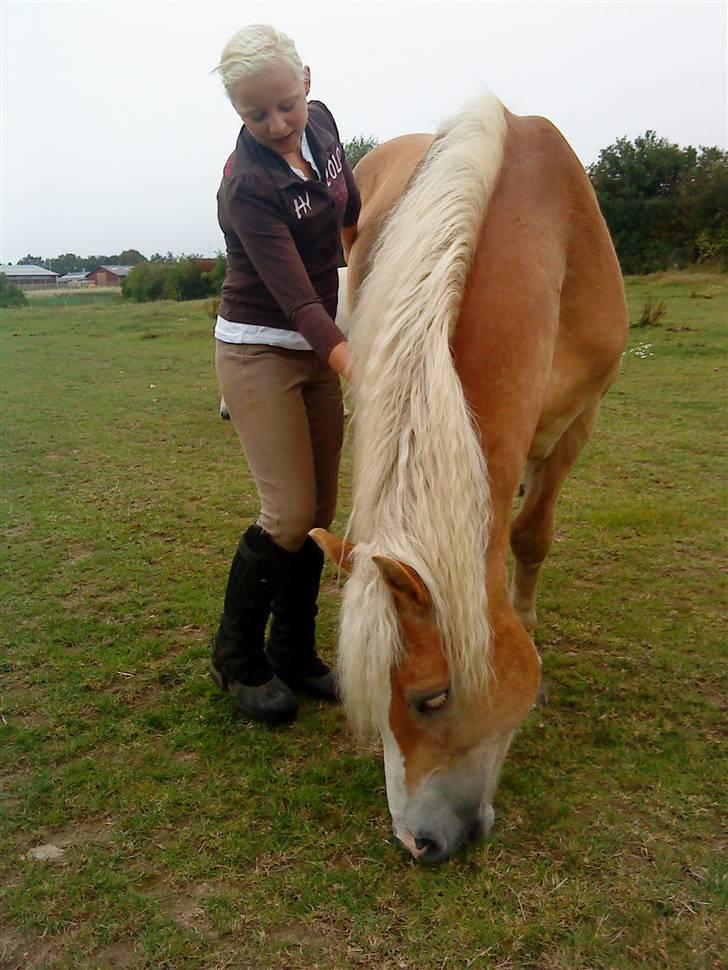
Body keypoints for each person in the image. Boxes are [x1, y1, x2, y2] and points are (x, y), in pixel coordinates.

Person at [210, 24, 359, 724]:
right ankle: (238, 659)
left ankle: (295, 653)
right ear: (238, 112)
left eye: (284, 106)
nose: (274, 124)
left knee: (321, 514)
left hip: (316, 347)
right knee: (289, 512)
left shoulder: (323, 127)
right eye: (254, 114)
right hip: (259, 347)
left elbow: (348, 207)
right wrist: (355, 360)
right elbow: (299, 299)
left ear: (306, 80)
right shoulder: (246, 186)